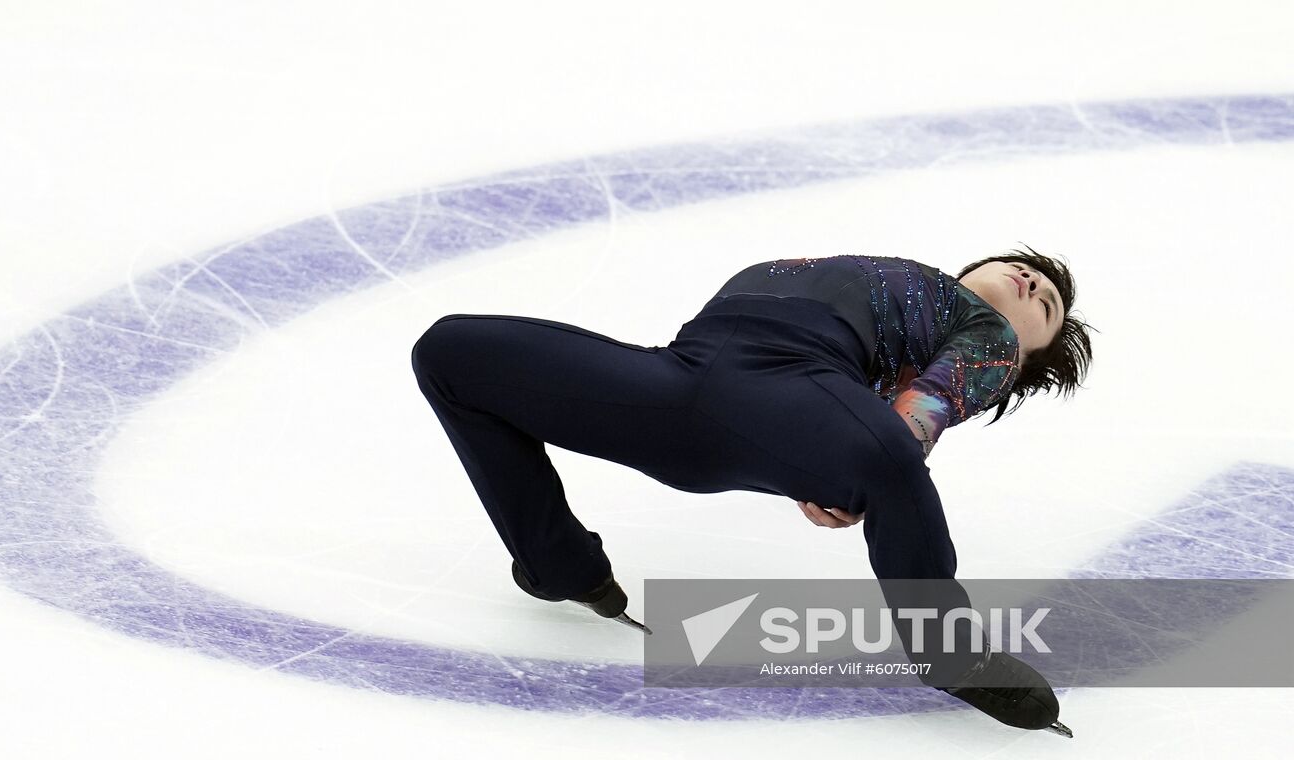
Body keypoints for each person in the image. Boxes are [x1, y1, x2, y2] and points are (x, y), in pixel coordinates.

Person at [410, 244, 1096, 734]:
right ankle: (556, 561)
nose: (1035, 282)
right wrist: (845, 454)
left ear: (1022, 357)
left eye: (1049, 306)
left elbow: (923, 412)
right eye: (1032, 270)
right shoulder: (908, 282)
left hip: (791, 388)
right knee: (449, 354)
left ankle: (947, 648)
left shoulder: (988, 338)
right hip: (674, 384)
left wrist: (860, 461)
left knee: (891, 453)